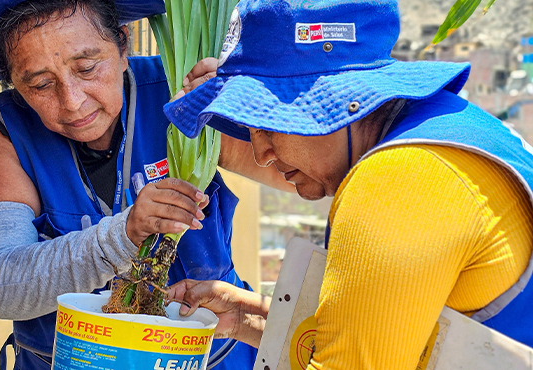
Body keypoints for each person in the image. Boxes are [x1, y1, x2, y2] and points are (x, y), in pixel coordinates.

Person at [164, 0, 533, 368]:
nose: (261, 154)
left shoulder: (396, 183)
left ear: (338, 104)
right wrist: (251, 317)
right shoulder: (446, 132)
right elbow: (402, 338)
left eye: (267, 124)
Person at [0, 0, 291, 368]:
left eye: (87, 68)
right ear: (13, 84)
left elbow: (309, 178)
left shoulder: (183, 90)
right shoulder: (2, 132)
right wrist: (121, 236)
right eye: (41, 84)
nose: (72, 102)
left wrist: (253, 112)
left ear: (122, 46)